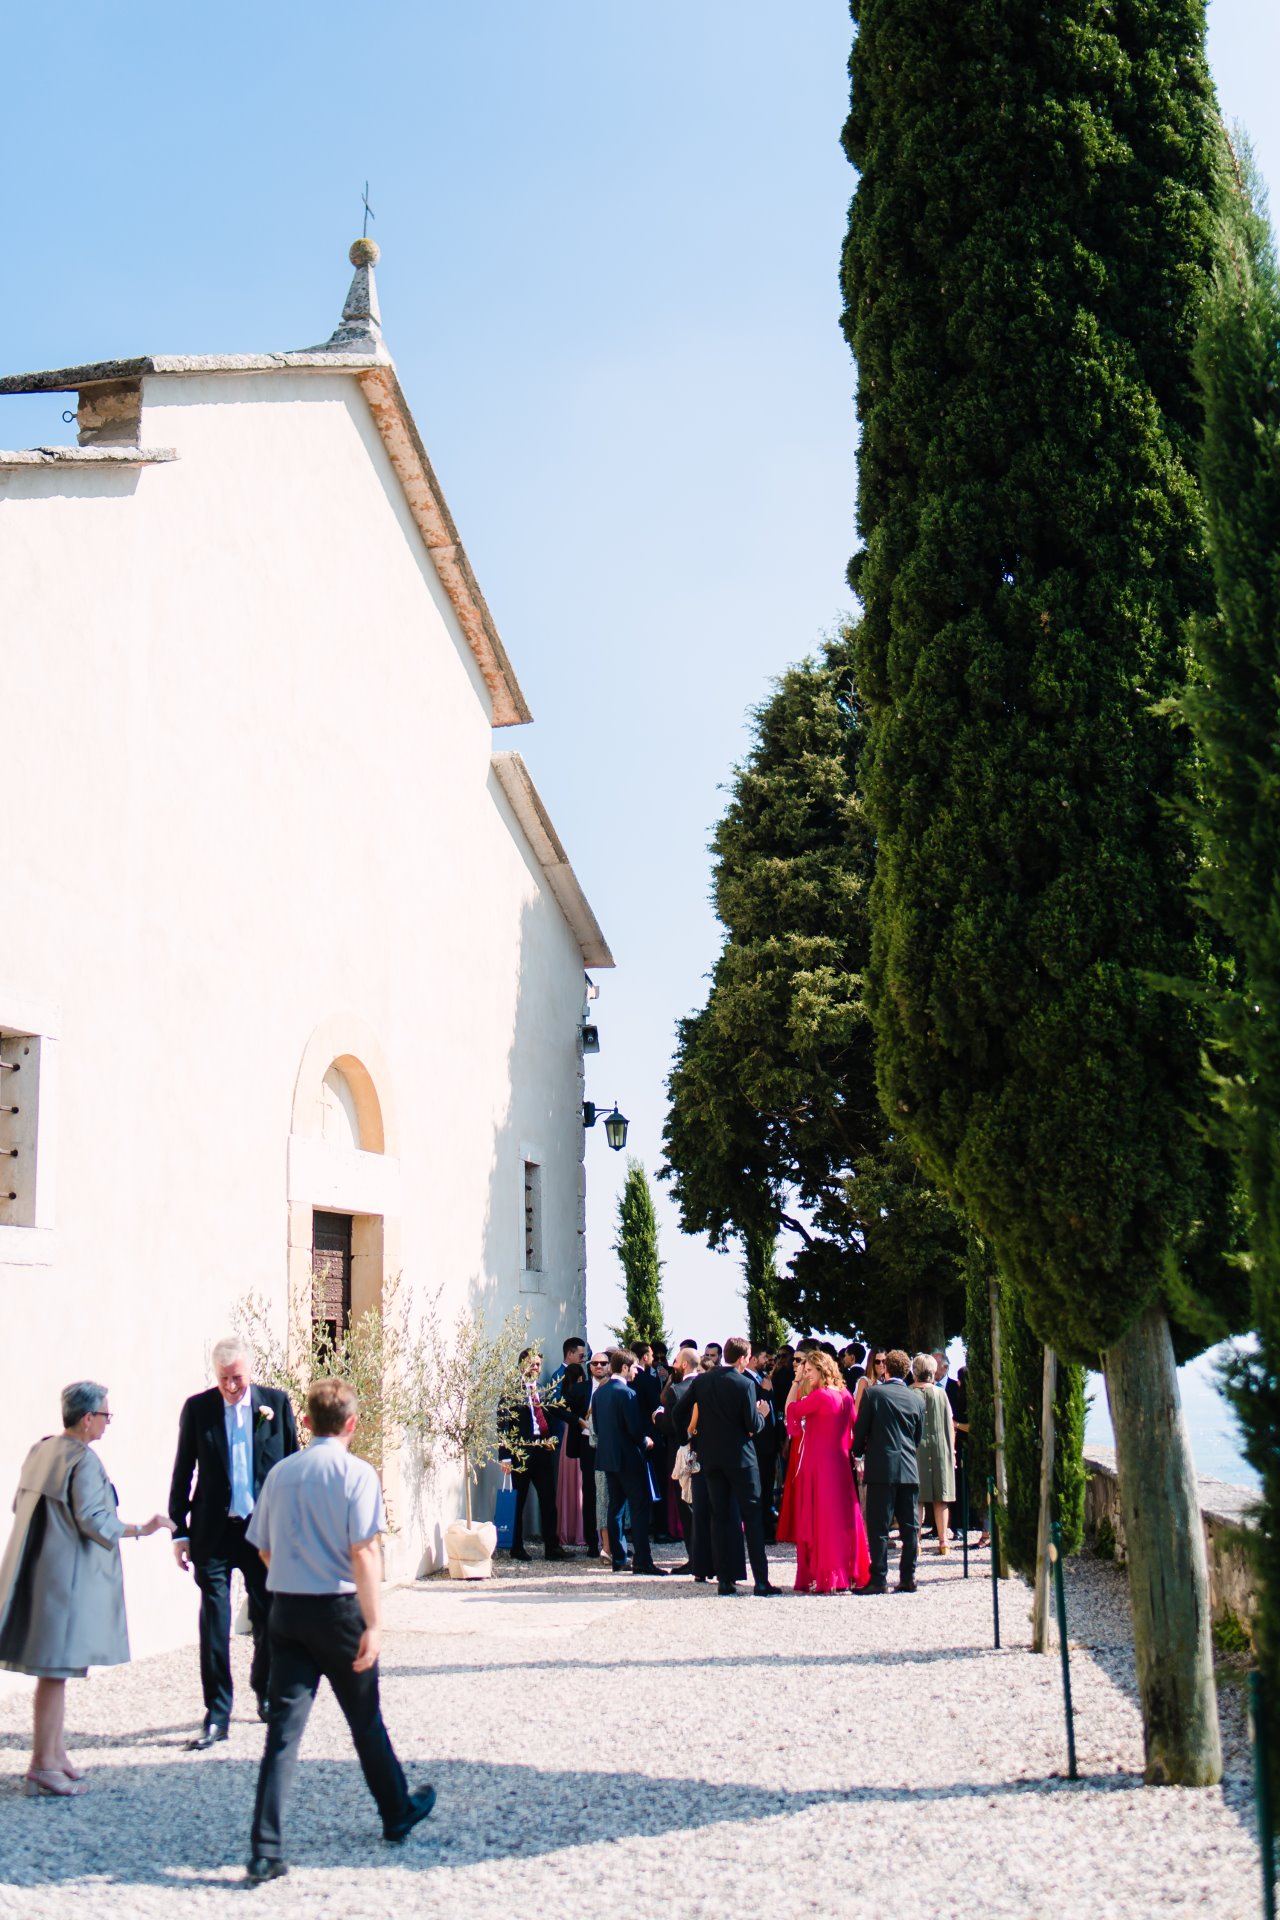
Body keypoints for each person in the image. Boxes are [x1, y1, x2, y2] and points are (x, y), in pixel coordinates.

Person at [244, 1378, 434, 1882]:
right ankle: (395, 1812)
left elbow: (262, 1548)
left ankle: (265, 1848)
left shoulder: (280, 1474)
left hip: (286, 1609)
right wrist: (374, 1622)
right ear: (352, 1424)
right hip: (338, 1609)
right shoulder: (358, 1474)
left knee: (283, 1733)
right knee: (365, 1720)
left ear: (305, 1422)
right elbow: (364, 1551)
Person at [0, 1380, 173, 1797]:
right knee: (54, 1673)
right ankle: (42, 1765)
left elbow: (18, 1506)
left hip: (42, 1574)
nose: (108, 1423)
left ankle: (56, 1754)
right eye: (106, 1415)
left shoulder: (42, 1450)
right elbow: (96, 1521)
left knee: (54, 1673)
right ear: (87, 1418)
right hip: (68, 1580)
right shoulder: (84, 1460)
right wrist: (141, 1529)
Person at [169, 1336, 299, 1749]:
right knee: (214, 1621)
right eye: (224, 1379)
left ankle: (263, 1691)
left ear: (250, 1372)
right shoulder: (198, 1409)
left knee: (269, 1617)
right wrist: (180, 1529)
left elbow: (293, 1466)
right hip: (214, 1532)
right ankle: (217, 1713)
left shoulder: (275, 1405)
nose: (230, 1386)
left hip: (263, 1532)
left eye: (237, 1378)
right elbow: (183, 1469)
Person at [684, 1336, 779, 1598]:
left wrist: (694, 1435)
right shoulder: (745, 1383)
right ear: (742, 1358)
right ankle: (761, 1582)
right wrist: (762, 1414)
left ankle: (725, 1580)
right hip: (741, 1459)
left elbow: (680, 1410)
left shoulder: (703, 1381)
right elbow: (751, 1426)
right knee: (752, 1518)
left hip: (711, 1458)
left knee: (720, 1518)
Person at [784, 1351, 871, 1594]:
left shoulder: (820, 1396)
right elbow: (854, 1425)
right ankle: (847, 1571)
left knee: (822, 1519)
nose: (807, 1375)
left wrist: (796, 1382)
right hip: (840, 1464)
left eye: (810, 1371)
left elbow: (791, 1410)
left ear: (822, 1371)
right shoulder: (844, 1395)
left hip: (819, 1465)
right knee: (842, 1517)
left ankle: (828, 1574)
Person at [853, 1349, 925, 1593]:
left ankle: (879, 1578)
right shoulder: (916, 1399)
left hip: (882, 1467)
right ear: (906, 1371)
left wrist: (857, 1451)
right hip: (908, 1467)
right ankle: (908, 1576)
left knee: (879, 1527)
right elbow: (917, 1437)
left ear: (886, 1369)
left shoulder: (874, 1394)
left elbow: (861, 1429)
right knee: (909, 1527)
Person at [591, 1349, 668, 1576]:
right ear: (624, 1368)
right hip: (629, 1459)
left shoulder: (599, 1394)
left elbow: (597, 1426)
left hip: (607, 1458)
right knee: (639, 1507)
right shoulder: (627, 1393)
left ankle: (619, 1558)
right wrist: (646, 1442)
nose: (636, 1372)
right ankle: (643, 1560)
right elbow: (634, 1429)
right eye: (634, 1367)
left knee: (615, 1508)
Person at [498, 1349, 564, 1562]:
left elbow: (548, 1417)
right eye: (531, 1364)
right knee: (519, 1501)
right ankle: (516, 1547)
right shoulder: (510, 1391)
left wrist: (551, 1438)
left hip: (542, 1453)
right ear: (522, 1365)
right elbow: (503, 1425)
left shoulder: (540, 1390)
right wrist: (505, 1456)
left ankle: (552, 1547)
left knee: (548, 1499)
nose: (535, 1368)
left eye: (538, 1364)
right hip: (521, 1454)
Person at [660, 1346, 702, 1574]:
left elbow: (672, 1427)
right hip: (707, 1453)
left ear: (684, 1364)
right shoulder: (708, 1386)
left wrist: (657, 1418)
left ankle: (695, 1559)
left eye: (676, 1361)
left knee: (687, 1509)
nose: (673, 1365)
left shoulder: (676, 1390)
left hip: (683, 1454)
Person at [912, 1353, 956, 1554]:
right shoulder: (941, 1393)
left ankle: (917, 1542)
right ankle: (943, 1540)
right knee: (941, 1497)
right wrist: (951, 1452)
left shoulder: (909, 1393)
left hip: (915, 1448)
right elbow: (949, 1424)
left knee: (917, 1498)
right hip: (940, 1447)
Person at [562, 1356, 600, 1555]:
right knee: (590, 1492)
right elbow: (556, 1406)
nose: (599, 1366)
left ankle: (614, 1543)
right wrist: (577, 1420)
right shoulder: (581, 1388)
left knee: (613, 1494)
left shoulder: (615, 1386)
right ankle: (592, 1543)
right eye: (595, 1363)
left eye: (604, 1363)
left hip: (610, 1445)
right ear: (590, 1367)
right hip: (587, 1445)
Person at [555, 1359, 587, 1548]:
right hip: (579, 1435)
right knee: (581, 1484)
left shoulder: (565, 1392)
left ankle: (567, 1529)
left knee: (568, 1483)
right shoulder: (582, 1392)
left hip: (568, 1435)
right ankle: (580, 1531)